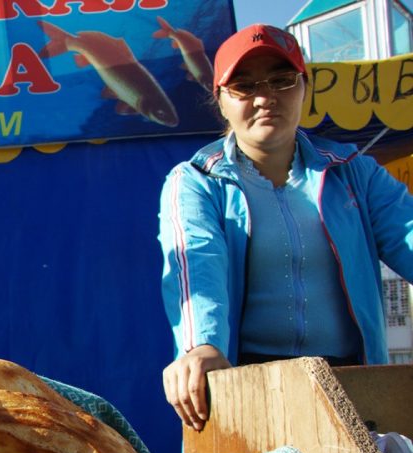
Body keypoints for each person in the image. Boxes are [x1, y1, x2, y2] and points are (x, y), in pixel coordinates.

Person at [159, 24, 413, 431]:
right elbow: (196, 264)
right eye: (243, 86)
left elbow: (408, 232)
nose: (265, 98)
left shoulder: (355, 174)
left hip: (353, 386)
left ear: (303, 88)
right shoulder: (194, 181)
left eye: (282, 80)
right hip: (245, 389)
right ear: (220, 101)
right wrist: (200, 346)